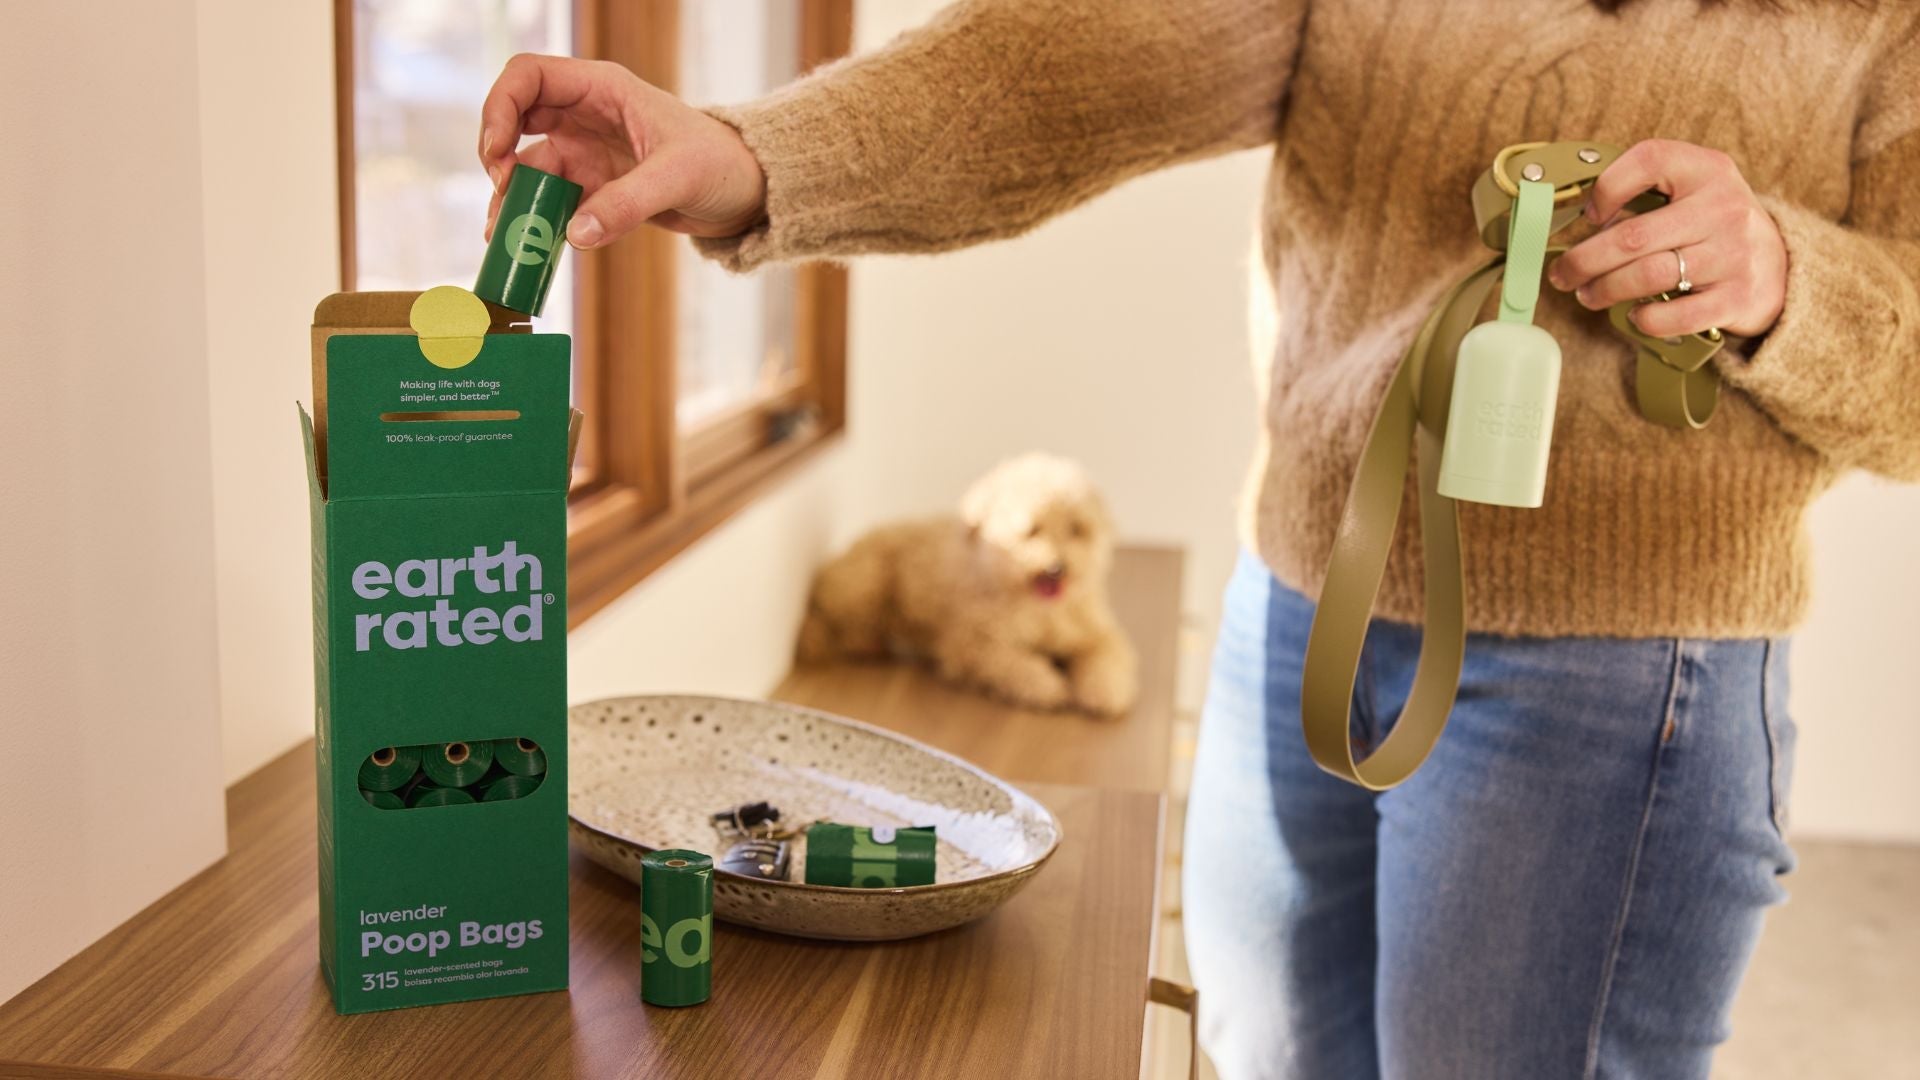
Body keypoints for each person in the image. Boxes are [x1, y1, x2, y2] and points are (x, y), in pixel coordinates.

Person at [479, 2, 1919, 1076]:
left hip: (1621, 690)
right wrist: (748, 154)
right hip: (1301, 616)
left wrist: (1789, 280)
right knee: (1265, 1053)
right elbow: (1061, 68)